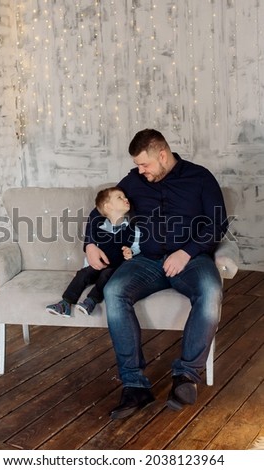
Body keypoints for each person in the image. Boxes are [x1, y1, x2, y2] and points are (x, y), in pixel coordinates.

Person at [84, 129, 228, 419]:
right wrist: (89, 242)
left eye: (144, 164)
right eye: (138, 165)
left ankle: (186, 376)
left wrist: (186, 251)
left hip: (191, 259)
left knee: (211, 292)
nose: (140, 170)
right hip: (146, 260)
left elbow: (218, 224)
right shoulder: (134, 181)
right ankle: (135, 385)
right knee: (113, 291)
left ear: (162, 155)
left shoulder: (200, 178)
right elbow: (100, 210)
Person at [46, 186, 140, 317]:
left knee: (106, 276)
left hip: (115, 267)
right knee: (84, 273)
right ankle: (65, 303)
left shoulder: (132, 228)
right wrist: (85, 267)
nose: (126, 199)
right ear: (108, 207)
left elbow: (136, 246)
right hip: (97, 264)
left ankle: (91, 301)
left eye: (125, 197)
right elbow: (92, 252)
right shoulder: (98, 227)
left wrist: (131, 252)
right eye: (120, 197)